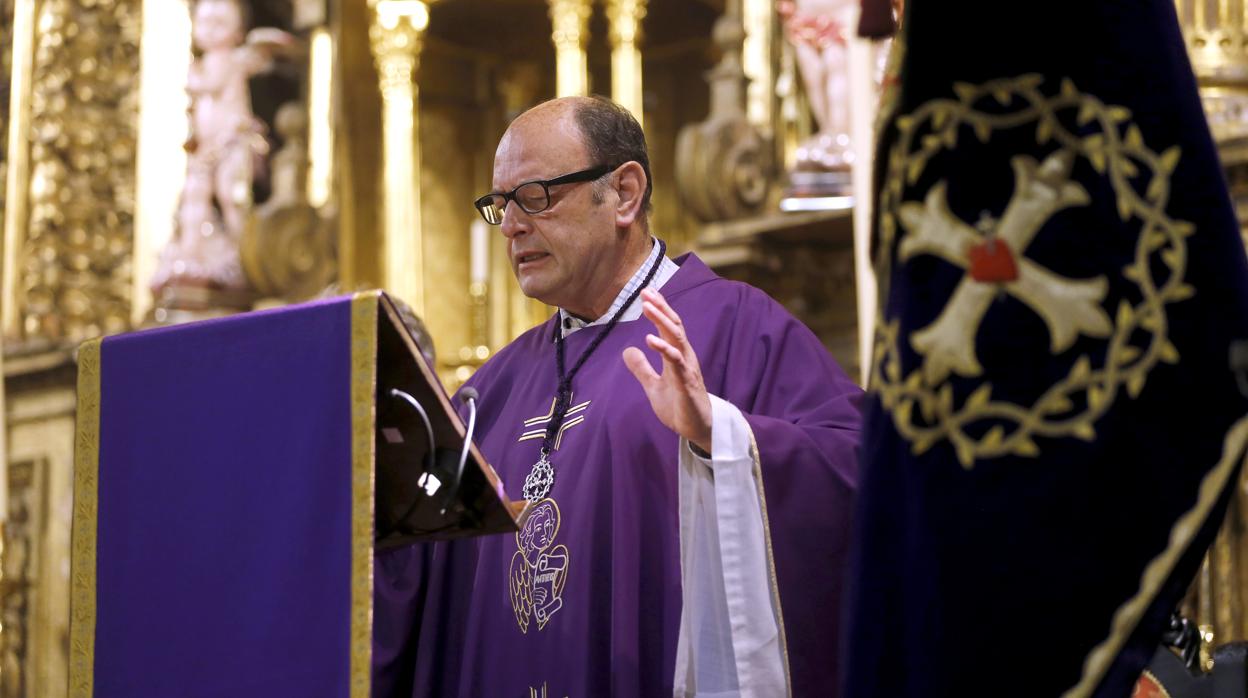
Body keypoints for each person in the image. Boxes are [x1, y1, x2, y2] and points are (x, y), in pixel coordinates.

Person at [373, 96, 862, 697]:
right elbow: (405, 584)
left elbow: (857, 472)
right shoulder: (491, 389)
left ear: (625, 194)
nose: (514, 225)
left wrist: (723, 439)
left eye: (536, 195)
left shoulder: (734, 326)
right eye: (500, 206)